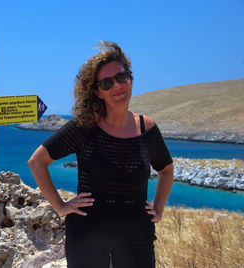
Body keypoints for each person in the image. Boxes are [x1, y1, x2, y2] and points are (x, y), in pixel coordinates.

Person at [28, 41, 174, 268]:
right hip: (87, 238)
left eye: (121, 77)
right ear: (97, 91)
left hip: (137, 239)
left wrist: (158, 208)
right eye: (107, 83)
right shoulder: (84, 127)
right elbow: (37, 162)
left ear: (130, 79)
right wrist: (60, 206)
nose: (117, 86)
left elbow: (166, 169)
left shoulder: (147, 128)